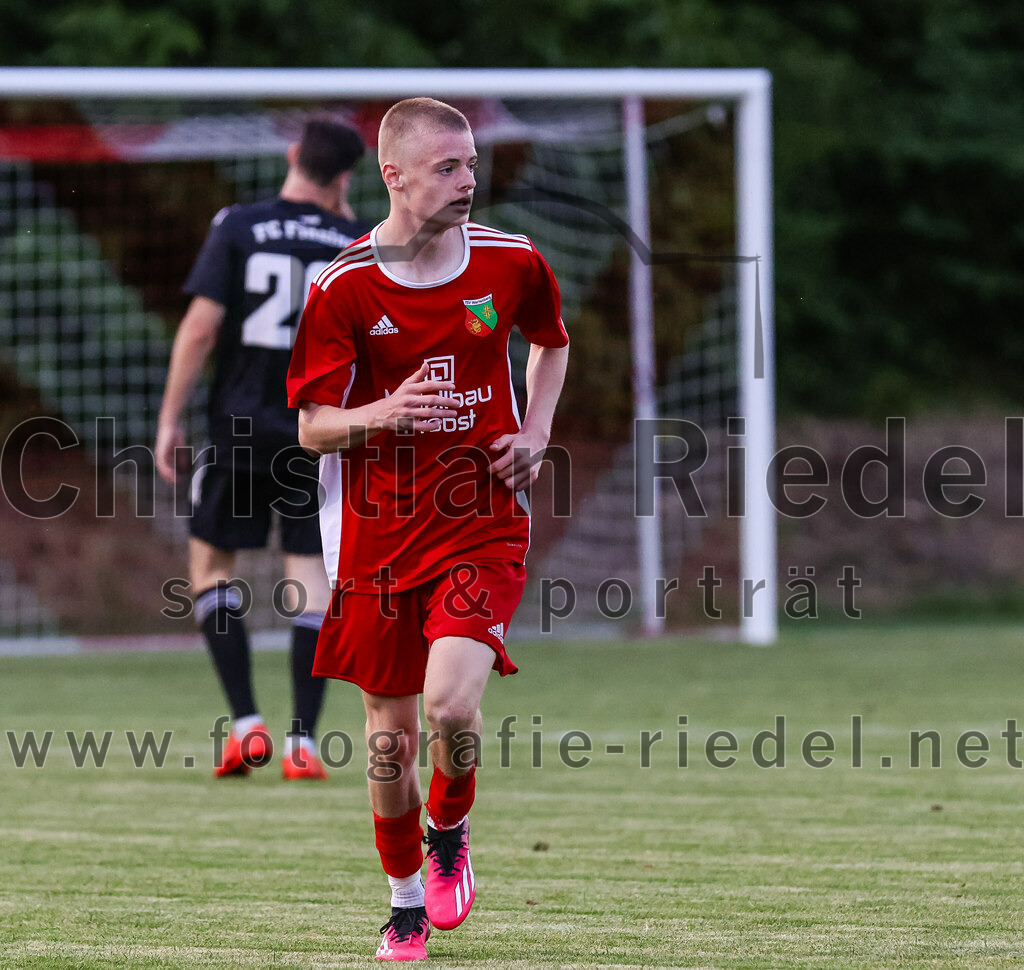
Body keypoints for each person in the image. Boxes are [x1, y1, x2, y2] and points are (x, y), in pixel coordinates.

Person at [286, 98, 569, 960]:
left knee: (451, 702)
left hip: (481, 518)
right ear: (394, 176)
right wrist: (387, 411)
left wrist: (537, 431)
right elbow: (312, 428)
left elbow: (550, 344)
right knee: (389, 742)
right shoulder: (342, 285)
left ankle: (452, 832)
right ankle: (405, 901)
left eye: (472, 164)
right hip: (377, 533)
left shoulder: (511, 262)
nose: (468, 182)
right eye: (447, 168)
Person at [155, 116, 369, 781]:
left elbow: (200, 328)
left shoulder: (239, 225)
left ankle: (246, 726)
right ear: (342, 177)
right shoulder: (355, 241)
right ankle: (303, 743)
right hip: (318, 429)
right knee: (309, 578)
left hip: (240, 428)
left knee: (214, 570)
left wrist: (169, 417)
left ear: (291, 156)